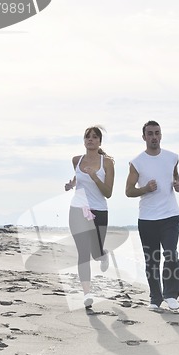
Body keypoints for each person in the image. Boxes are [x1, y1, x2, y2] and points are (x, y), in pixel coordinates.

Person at [125, 120, 179, 310]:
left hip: (170, 215)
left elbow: (175, 177)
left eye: (157, 133)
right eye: (150, 133)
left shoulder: (172, 157)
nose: (154, 137)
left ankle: (171, 294)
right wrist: (146, 189)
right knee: (152, 260)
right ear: (144, 137)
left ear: (161, 135)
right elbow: (128, 191)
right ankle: (155, 298)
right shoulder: (137, 162)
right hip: (147, 218)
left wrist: (178, 185)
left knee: (171, 254)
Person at [65, 126, 115, 308]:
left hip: (99, 210)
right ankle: (87, 293)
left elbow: (108, 192)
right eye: (88, 137)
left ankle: (103, 254)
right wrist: (72, 184)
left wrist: (94, 176)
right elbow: (78, 176)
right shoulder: (76, 160)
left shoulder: (107, 163)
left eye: (95, 137)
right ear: (84, 140)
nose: (90, 140)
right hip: (78, 210)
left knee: (95, 253)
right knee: (83, 254)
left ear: (100, 142)